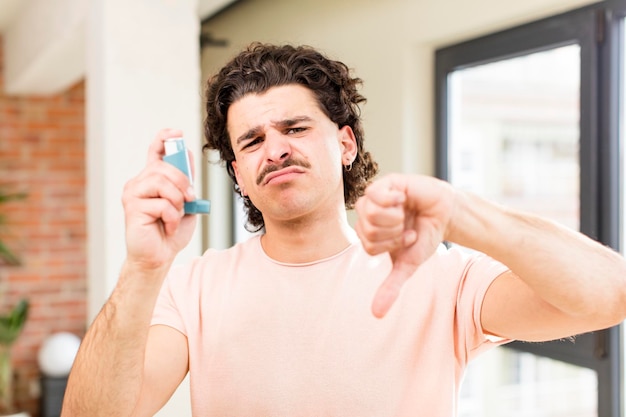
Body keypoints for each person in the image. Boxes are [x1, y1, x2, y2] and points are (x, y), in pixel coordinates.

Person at [61, 42, 626, 417]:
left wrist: (464, 216)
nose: (275, 148)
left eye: (295, 127)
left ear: (345, 143)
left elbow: (610, 294)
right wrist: (144, 267)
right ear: (238, 174)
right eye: (252, 141)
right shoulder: (193, 288)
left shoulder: (437, 275)